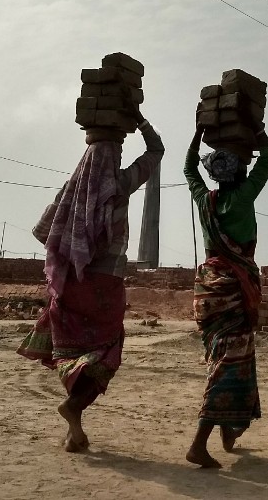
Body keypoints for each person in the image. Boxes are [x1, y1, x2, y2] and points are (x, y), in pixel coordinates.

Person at [17, 106, 163, 452]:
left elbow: (42, 231)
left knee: (72, 352)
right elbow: (156, 151)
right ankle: (74, 407)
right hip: (105, 284)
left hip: (70, 283)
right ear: (114, 156)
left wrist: (76, 241)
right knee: (107, 350)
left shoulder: (72, 189)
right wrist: (140, 121)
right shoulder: (121, 184)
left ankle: (75, 434)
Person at [183, 125, 268, 469]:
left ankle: (229, 431)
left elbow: (188, 168)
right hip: (233, 291)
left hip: (207, 290)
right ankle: (199, 443)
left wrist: (197, 134)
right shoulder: (245, 196)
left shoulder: (204, 199)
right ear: (239, 171)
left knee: (228, 358)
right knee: (227, 365)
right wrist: (260, 130)